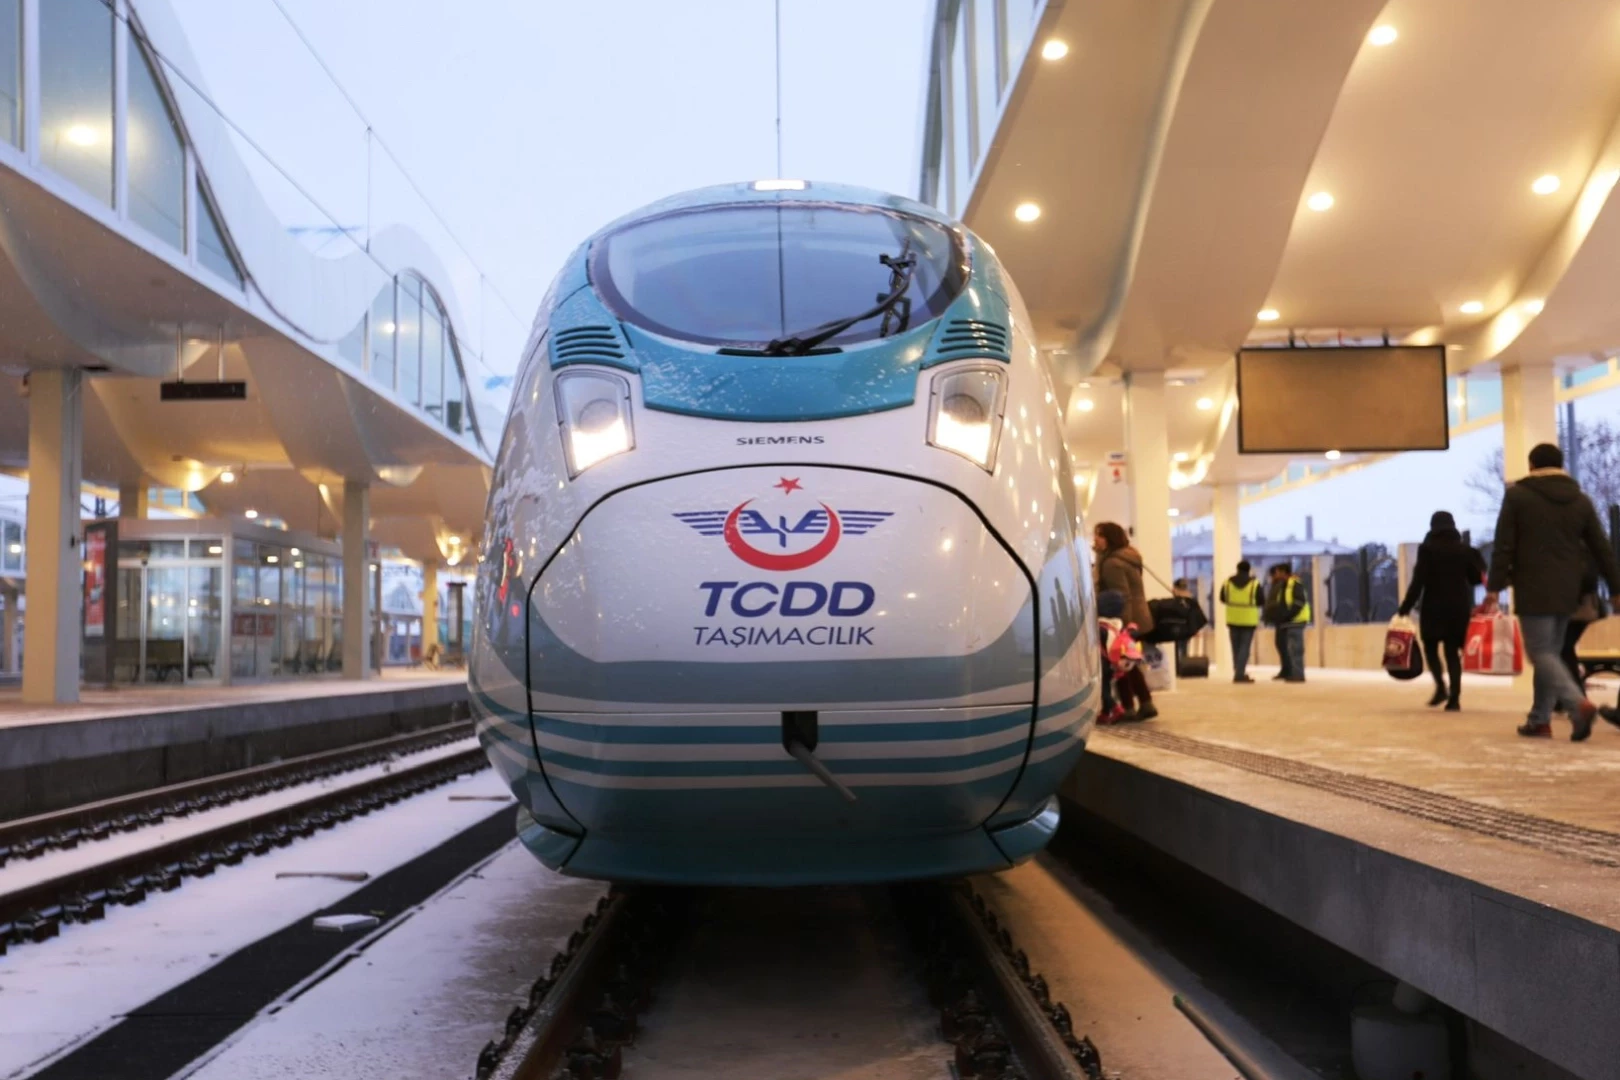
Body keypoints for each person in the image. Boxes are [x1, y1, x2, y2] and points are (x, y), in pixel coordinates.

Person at [1484, 442, 1620, 740]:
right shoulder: (1580, 500)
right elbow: (1602, 548)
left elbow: (1504, 545)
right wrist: (1615, 588)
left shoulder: (1518, 497)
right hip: (1570, 589)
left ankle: (1577, 704)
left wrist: (1494, 586)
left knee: (1541, 653)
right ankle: (1540, 719)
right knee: (1552, 653)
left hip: (1533, 586)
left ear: (1532, 465)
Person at [1398, 511, 1486, 711]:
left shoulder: (1427, 550)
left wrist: (1405, 608)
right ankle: (1454, 698)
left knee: (1430, 648)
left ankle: (1440, 686)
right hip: (1458, 608)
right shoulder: (1464, 550)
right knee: (1452, 652)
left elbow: (1418, 582)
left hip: (1433, 607)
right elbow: (1475, 579)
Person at [1093, 522, 1158, 721]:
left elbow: (1122, 596)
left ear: (1109, 538)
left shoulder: (1112, 563)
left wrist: (1123, 627)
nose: (1095, 539)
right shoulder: (1127, 557)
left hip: (1125, 619)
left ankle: (1136, 705)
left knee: (1121, 661)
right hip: (1138, 617)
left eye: (1099, 535)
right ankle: (1137, 705)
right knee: (1125, 662)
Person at [1264, 562, 1310, 683]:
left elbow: (1299, 602)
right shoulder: (1284, 585)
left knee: (1296, 649)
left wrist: (1287, 615)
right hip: (1286, 622)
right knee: (1289, 648)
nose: (1276, 574)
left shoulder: (1294, 584)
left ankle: (1298, 674)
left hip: (1295, 621)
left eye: (1278, 572)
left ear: (1284, 572)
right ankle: (1291, 672)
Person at [1219, 560, 1262, 684]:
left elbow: (1222, 598)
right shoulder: (1254, 583)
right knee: (1244, 647)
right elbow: (1261, 600)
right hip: (1249, 620)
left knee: (1235, 647)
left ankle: (1238, 671)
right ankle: (1239, 674)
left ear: (1237, 569)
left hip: (1232, 619)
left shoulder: (1227, 583)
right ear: (1249, 570)